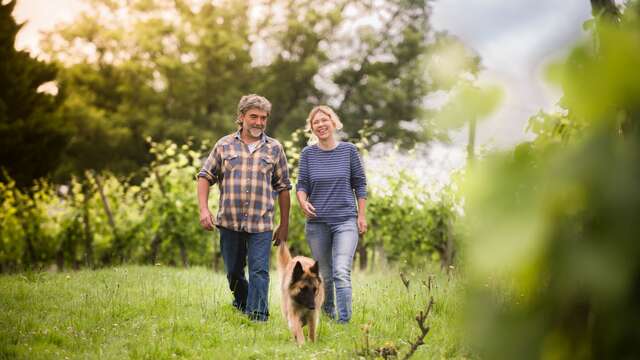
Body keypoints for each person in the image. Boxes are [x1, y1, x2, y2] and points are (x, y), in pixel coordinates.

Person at [197, 94, 291, 322]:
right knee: (234, 272)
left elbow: (284, 187)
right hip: (229, 221)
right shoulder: (224, 145)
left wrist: (284, 224)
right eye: (254, 117)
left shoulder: (274, 149)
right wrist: (203, 210)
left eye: (263, 118)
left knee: (260, 270)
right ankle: (242, 303)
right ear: (241, 117)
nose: (259, 122)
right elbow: (204, 176)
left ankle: (258, 316)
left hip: (261, 223)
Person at [296, 105, 367, 323]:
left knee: (341, 272)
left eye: (324, 120)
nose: (320, 125)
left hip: (346, 221)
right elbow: (301, 185)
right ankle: (328, 315)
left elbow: (360, 184)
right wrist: (302, 202)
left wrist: (361, 216)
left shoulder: (348, 151)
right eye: (315, 122)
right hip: (317, 224)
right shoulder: (308, 154)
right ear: (312, 128)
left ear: (333, 122)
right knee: (324, 276)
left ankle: (344, 322)